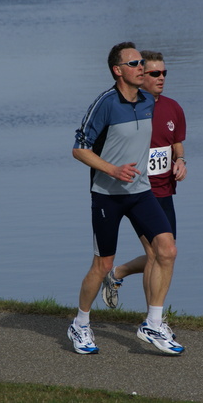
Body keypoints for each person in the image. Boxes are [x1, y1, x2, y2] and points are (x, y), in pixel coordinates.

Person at [68, 42, 184, 355]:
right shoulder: (105, 103)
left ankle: (153, 323)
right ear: (118, 71)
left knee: (167, 250)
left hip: (142, 192)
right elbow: (79, 148)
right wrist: (112, 170)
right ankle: (80, 324)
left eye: (142, 63)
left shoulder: (148, 100)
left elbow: (170, 130)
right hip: (108, 196)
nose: (142, 68)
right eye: (135, 63)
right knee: (102, 265)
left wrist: (178, 156)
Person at [100, 51, 187, 315]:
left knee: (167, 253)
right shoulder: (130, 109)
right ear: (140, 75)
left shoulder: (173, 107)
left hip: (164, 191)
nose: (161, 78)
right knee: (155, 254)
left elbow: (176, 142)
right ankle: (154, 321)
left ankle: (118, 273)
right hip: (137, 191)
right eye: (154, 73)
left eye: (164, 73)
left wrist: (181, 160)